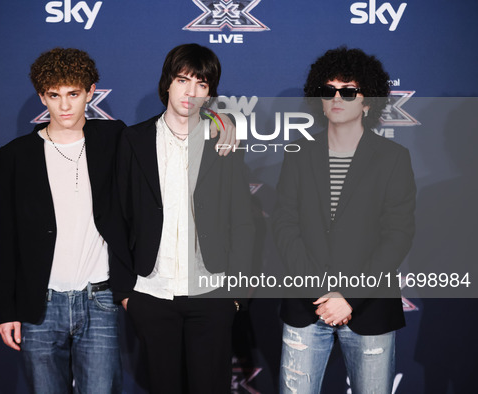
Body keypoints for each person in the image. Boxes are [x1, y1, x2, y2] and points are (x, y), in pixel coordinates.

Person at [112, 43, 255, 394]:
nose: (190, 92)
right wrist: (126, 292)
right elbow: (118, 215)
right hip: (151, 293)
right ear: (167, 83)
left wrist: (236, 294)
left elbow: (243, 218)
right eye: (183, 80)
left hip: (211, 293)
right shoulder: (132, 140)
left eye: (202, 84)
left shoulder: (223, 142)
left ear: (210, 92)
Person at [273, 47, 416, 393]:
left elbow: (396, 235)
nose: (337, 98)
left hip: (369, 307)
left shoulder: (393, 159)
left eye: (348, 91)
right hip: (308, 306)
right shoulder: (298, 156)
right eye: (329, 90)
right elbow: (284, 227)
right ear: (319, 100)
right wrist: (322, 292)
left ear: (367, 102)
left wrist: (347, 294)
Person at [0, 47, 129, 394]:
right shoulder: (16, 155)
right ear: (42, 96)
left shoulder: (114, 139)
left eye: (73, 94)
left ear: (91, 92)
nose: (65, 105)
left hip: (100, 300)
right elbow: (7, 237)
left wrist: (221, 123)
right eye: (54, 95)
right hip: (41, 304)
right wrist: (6, 310)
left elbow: (169, 131)